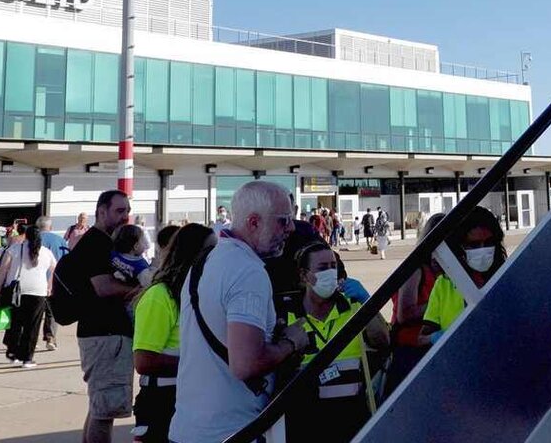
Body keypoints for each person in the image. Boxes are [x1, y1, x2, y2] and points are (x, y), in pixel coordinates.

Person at [169, 181, 311, 443]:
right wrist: (291, 342)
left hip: (188, 428)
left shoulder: (204, 263)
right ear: (254, 222)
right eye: (283, 220)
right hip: (232, 430)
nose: (291, 228)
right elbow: (246, 364)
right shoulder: (247, 271)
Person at [286, 242, 390, 443]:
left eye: (333, 266)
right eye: (322, 268)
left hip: (352, 419)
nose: (330, 273)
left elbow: (382, 340)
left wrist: (368, 303)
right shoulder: (288, 315)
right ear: (303, 275)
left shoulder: (352, 306)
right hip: (307, 422)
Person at [59, 190, 137, 443]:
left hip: (102, 334)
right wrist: (140, 292)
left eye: (127, 210)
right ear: (101, 212)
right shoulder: (97, 244)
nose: (125, 216)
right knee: (105, 410)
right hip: (105, 336)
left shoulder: (102, 243)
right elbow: (103, 287)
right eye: (119, 211)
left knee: (100, 407)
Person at [131, 224, 215, 443]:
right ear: (192, 254)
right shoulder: (160, 296)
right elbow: (144, 360)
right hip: (163, 399)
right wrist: (200, 363)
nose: (216, 257)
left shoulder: (201, 292)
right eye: (210, 250)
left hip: (195, 394)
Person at [420, 207, 507, 344]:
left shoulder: (505, 279)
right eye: (474, 245)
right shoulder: (444, 284)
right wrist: (440, 337)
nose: (482, 249)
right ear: (459, 247)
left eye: (488, 243)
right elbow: (422, 337)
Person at [385, 213, 445, 396]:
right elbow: (404, 313)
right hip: (411, 349)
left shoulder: (444, 269)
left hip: (432, 345)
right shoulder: (417, 269)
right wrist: (438, 305)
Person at [1, 225, 56, 369]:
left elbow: (3, 269)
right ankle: (27, 358)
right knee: (32, 326)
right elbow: (54, 269)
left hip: (17, 290)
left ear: (25, 235)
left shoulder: (14, 249)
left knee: (15, 322)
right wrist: (49, 285)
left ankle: (13, 352)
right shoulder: (46, 252)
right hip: (38, 291)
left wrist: (1, 287)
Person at [35, 216, 66, 351]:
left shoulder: (31, 239)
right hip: (54, 281)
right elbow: (66, 261)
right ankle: (50, 337)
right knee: (51, 312)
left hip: (34, 281)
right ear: (51, 227)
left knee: (34, 312)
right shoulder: (60, 240)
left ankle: (32, 338)